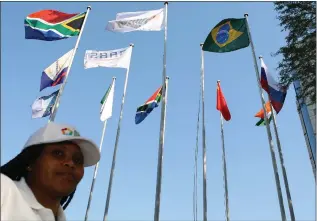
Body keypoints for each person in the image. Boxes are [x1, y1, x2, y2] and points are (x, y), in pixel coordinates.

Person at [1, 122, 101, 221]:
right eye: (58, 153)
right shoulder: (4, 189)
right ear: (30, 162)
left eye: (78, 160)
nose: (71, 163)